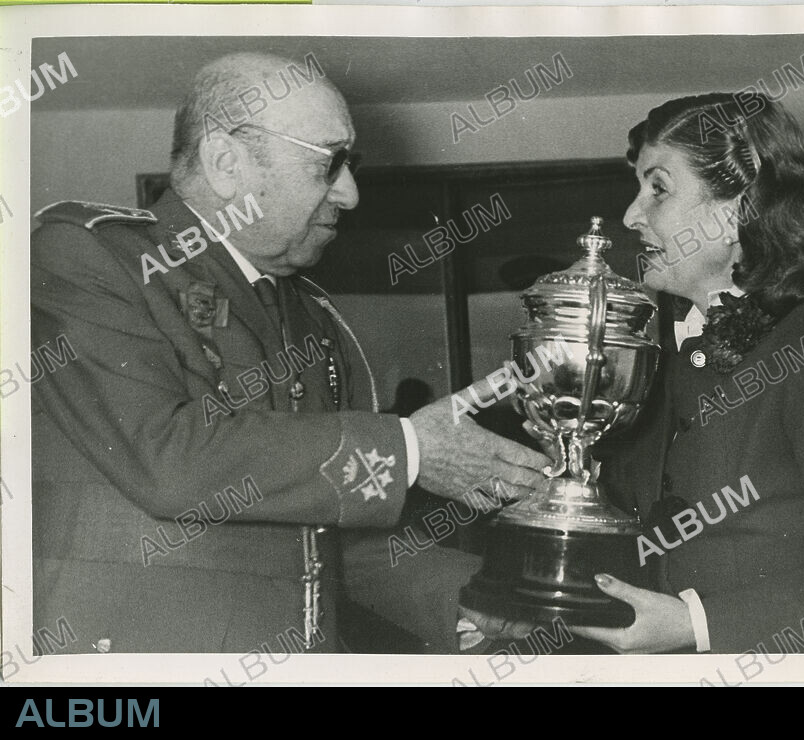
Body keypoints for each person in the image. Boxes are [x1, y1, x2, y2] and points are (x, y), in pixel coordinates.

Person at [30, 52, 548, 654]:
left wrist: (486, 600)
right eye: (328, 164)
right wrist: (410, 449)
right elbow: (166, 459)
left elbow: (332, 541)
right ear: (226, 163)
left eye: (348, 165)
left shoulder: (309, 316)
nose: (350, 194)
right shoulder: (91, 259)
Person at [568, 92, 804, 653]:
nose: (630, 215)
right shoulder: (661, 351)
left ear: (735, 212)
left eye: (658, 187)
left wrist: (696, 625)